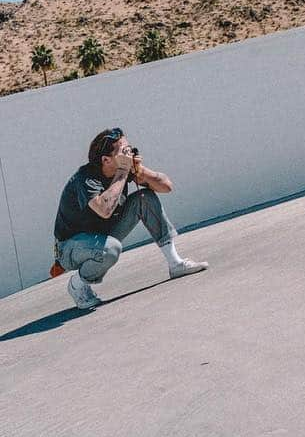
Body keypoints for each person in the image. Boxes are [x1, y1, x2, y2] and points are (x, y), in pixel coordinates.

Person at [54, 128, 207, 310]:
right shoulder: (85, 179)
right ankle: (77, 285)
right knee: (110, 249)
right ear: (106, 160)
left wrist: (140, 171)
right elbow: (104, 209)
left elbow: (167, 187)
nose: (130, 154)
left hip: (103, 236)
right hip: (70, 248)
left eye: (130, 149)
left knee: (145, 198)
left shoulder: (122, 170)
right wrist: (123, 172)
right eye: (124, 152)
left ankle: (175, 263)